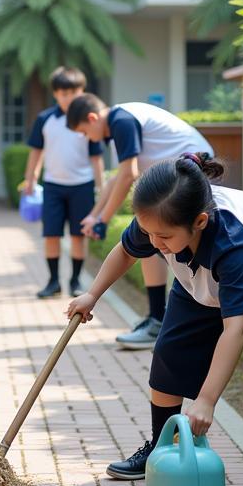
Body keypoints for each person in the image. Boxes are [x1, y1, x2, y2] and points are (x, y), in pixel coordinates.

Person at [66, 153, 243, 486]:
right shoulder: (159, 218)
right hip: (199, 283)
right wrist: (92, 294)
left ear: (200, 221)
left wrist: (206, 400)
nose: (154, 242)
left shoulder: (232, 243)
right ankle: (160, 448)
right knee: (170, 355)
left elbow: (235, 328)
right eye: (149, 232)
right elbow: (126, 252)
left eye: (164, 236)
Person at [66, 94, 213, 349]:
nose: (87, 138)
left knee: (175, 244)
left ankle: (175, 321)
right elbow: (117, 178)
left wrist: (104, 220)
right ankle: (157, 318)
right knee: (150, 240)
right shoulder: (120, 120)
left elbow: (128, 176)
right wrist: (95, 215)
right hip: (176, 179)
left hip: (192, 175)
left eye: (84, 132)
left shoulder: (122, 121)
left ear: (92, 118)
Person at [20, 66, 104, 298]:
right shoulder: (45, 119)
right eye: (63, 93)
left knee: (78, 235)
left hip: (83, 185)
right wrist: (31, 178)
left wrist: (100, 187)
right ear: (55, 93)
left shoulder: (90, 120)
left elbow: (96, 157)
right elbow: (36, 151)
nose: (68, 98)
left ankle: (76, 281)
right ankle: (53, 281)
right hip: (53, 186)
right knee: (51, 235)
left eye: (73, 93)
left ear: (82, 92)